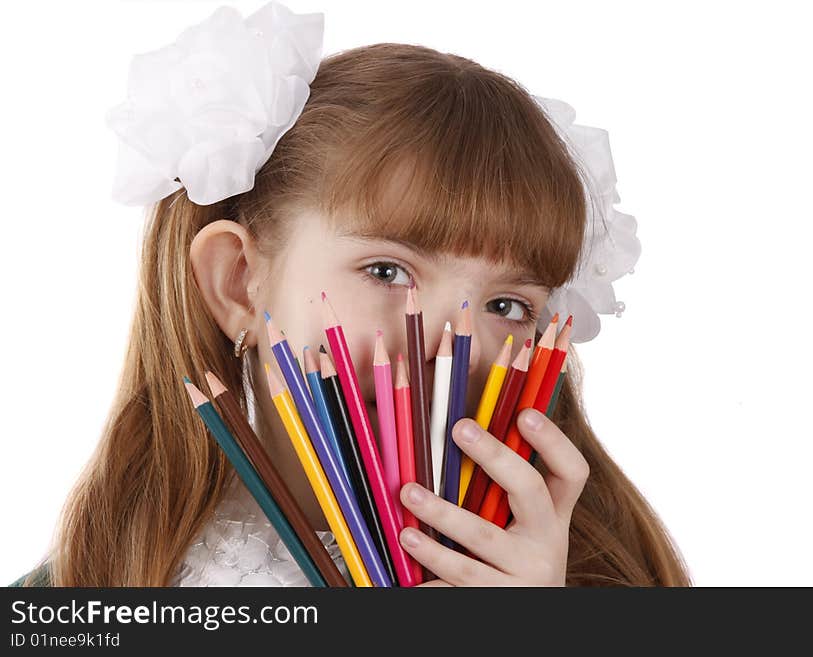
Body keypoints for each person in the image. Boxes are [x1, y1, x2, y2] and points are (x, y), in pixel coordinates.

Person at [11, 3, 689, 587]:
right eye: (387, 271)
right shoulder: (82, 592)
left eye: (507, 305)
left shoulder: (611, 578)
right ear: (237, 282)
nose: (449, 347)